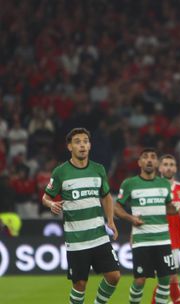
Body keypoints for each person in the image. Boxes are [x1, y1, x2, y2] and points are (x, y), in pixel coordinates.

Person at [42, 127, 120, 304]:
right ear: (70, 147)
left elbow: (106, 196)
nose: (82, 145)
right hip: (76, 240)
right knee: (80, 284)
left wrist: (110, 220)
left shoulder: (98, 169)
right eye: (77, 142)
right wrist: (51, 203)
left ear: (90, 145)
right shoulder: (61, 172)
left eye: (85, 141)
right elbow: (46, 197)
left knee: (114, 276)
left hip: (99, 236)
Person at [114, 148, 178, 304]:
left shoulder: (164, 184)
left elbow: (169, 207)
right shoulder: (130, 183)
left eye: (153, 157)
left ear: (157, 163)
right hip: (142, 240)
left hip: (163, 239)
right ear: (140, 162)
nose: (149, 160)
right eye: (145, 157)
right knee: (140, 280)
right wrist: (131, 218)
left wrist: (178, 208)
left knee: (165, 280)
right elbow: (116, 207)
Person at [151, 154, 180, 304]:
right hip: (158, 236)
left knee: (170, 276)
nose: (169, 167)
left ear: (175, 168)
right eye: (166, 164)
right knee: (168, 276)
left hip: (175, 238)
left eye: (172, 164)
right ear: (160, 167)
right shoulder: (153, 186)